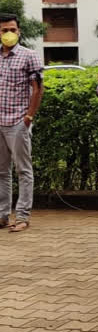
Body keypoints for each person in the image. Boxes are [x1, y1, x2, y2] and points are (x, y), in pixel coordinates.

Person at [0, 13, 43, 233]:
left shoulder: (29, 56)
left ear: (19, 31)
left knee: (23, 170)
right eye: (4, 30)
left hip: (18, 120)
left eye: (12, 30)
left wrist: (29, 117)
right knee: (1, 171)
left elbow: (38, 88)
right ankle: (2, 215)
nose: (8, 34)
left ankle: (23, 216)